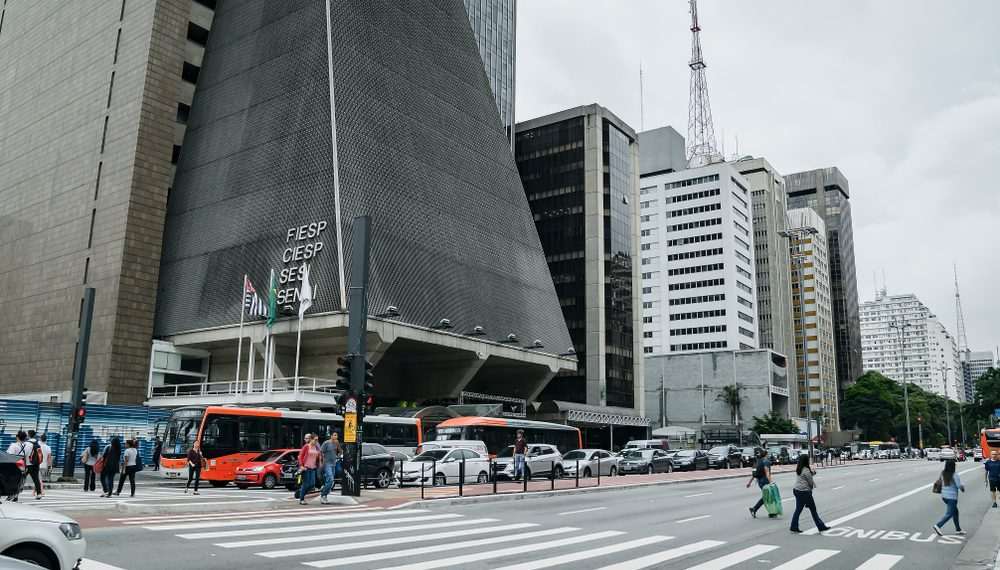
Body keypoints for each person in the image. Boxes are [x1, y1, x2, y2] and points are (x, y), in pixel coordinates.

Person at [790, 454, 830, 533]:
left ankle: (793, 526)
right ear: (806, 461)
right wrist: (811, 489)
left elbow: (806, 475)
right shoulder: (806, 470)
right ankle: (821, 526)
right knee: (813, 510)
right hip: (804, 492)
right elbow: (810, 482)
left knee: (798, 509)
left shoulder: (799, 468)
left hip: (797, 490)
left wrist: (813, 473)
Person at [933, 459, 966, 536]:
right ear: (953, 466)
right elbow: (959, 486)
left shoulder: (943, 473)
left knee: (955, 512)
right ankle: (938, 525)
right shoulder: (955, 475)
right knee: (950, 513)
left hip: (944, 496)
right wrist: (963, 487)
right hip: (952, 497)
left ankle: (958, 529)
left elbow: (940, 481)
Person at [5, 431, 33, 502]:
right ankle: (16, 496)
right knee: (19, 480)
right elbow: (28, 457)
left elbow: (9, 455)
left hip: (14, 464)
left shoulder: (13, 445)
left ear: (17, 437)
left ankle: (11, 495)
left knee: (10, 480)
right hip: (23, 464)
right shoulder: (28, 446)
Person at [747, 448, 775, 518]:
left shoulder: (758, 461)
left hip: (759, 481)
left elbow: (754, 474)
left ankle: (771, 512)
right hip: (765, 481)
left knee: (768, 496)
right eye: (767, 454)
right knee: (767, 496)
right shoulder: (766, 461)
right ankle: (754, 509)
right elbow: (767, 472)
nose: (768, 455)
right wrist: (771, 482)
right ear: (766, 454)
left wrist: (749, 482)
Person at [297, 434, 321, 505]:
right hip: (306, 468)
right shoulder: (306, 446)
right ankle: (302, 499)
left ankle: (301, 492)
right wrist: (301, 466)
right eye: (315, 440)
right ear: (311, 439)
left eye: (317, 440)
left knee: (312, 484)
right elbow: (300, 456)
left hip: (313, 468)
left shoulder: (316, 447)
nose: (316, 441)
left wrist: (320, 463)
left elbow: (319, 456)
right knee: (306, 484)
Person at [319, 432, 342, 504]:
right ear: (331, 436)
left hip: (334, 464)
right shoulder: (326, 443)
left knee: (330, 481)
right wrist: (321, 462)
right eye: (334, 435)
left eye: (336, 435)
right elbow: (321, 452)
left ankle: (324, 495)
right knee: (331, 479)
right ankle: (323, 494)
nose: (336, 436)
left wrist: (338, 456)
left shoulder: (336, 443)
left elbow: (340, 451)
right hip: (327, 463)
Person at [25, 430, 43, 500]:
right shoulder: (37, 443)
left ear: (29, 435)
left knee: (21, 479)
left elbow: (24, 454)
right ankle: (39, 494)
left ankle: (15, 494)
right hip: (36, 464)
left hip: (28, 464)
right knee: (36, 479)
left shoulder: (27, 443)